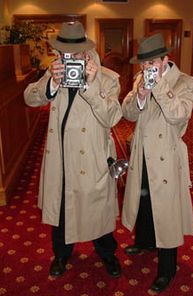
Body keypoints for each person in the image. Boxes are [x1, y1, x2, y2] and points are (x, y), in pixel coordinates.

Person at [24, 21, 123, 278]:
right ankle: (61, 254)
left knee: (97, 209)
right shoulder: (53, 73)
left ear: (86, 53)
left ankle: (107, 253)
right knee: (62, 209)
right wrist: (52, 85)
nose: (69, 59)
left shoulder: (107, 79)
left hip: (92, 156)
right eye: (64, 54)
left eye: (75, 54)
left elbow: (113, 117)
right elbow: (29, 97)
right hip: (61, 157)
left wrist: (89, 85)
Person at [121, 33, 193, 292]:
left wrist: (160, 88)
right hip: (142, 152)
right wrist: (140, 94)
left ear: (166, 59)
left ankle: (167, 269)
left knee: (166, 212)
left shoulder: (185, 82)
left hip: (166, 156)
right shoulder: (140, 79)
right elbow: (128, 113)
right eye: (142, 64)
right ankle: (144, 241)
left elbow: (178, 116)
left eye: (152, 63)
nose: (146, 68)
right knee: (143, 200)